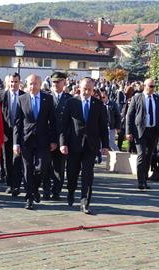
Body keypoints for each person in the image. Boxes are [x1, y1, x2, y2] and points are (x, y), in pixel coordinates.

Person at [60, 77, 109, 214]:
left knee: (88, 174)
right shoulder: (71, 103)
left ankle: (84, 202)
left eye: (90, 89)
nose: (87, 92)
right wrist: (63, 143)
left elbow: (103, 127)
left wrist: (105, 145)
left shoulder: (98, 104)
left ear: (93, 90)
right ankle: (70, 192)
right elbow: (64, 125)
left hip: (91, 145)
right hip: (74, 144)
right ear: (79, 88)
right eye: (84, 89)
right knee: (72, 173)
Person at [13, 74, 57, 210]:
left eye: (35, 84)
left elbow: (53, 121)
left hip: (43, 140)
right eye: (30, 84)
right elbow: (17, 123)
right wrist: (16, 143)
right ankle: (29, 198)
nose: (33, 86)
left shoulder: (48, 99)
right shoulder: (22, 99)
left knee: (41, 168)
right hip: (26, 140)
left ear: (40, 84)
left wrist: (54, 140)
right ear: (27, 85)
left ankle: (35, 189)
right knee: (27, 169)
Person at [126, 78, 159, 190]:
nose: (153, 89)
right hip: (140, 131)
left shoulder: (157, 99)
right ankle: (140, 181)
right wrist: (128, 132)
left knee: (149, 155)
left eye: (154, 86)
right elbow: (129, 115)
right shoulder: (137, 97)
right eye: (151, 86)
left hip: (153, 131)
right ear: (145, 86)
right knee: (141, 155)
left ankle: (145, 179)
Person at [44, 71, 72, 200]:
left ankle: (56, 191)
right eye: (53, 82)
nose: (55, 84)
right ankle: (46, 190)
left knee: (59, 167)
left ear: (64, 82)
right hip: (48, 137)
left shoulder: (69, 99)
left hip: (63, 138)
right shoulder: (45, 97)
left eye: (58, 81)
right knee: (45, 166)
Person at [0, 72, 25, 196]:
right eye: (11, 82)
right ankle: (10, 184)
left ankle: (17, 185)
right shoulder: (1, 95)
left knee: (18, 159)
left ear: (20, 83)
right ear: (7, 82)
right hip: (6, 133)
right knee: (7, 159)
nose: (13, 84)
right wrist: (1, 132)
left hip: (20, 133)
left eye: (15, 82)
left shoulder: (24, 96)